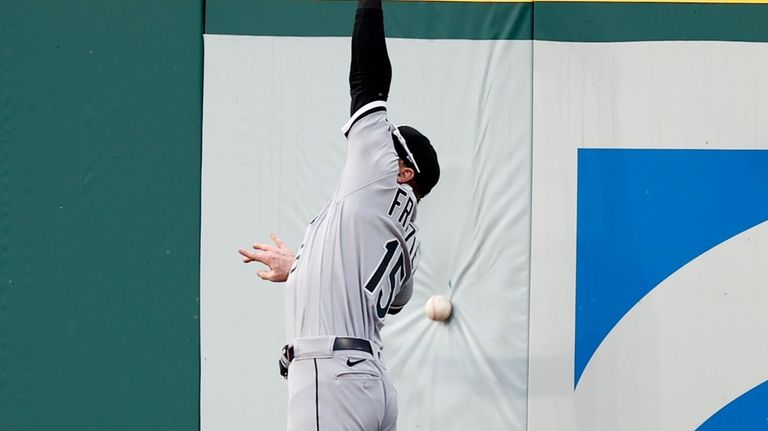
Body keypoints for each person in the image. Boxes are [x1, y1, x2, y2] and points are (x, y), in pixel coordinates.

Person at [239, 0, 439, 429]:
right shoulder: (411, 241)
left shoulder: (381, 177)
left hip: (332, 377)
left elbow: (367, 79)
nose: (381, 141)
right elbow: (368, 289)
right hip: (369, 383)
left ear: (404, 171)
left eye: (392, 145)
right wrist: (300, 266)